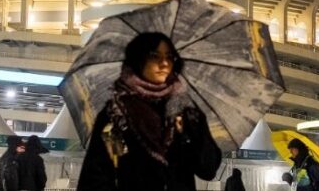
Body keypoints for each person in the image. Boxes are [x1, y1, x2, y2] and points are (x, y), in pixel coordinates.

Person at [77, 32, 222, 191]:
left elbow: (208, 169)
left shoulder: (187, 111)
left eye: (169, 56)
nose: (164, 63)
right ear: (138, 60)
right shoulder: (117, 114)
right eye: (155, 56)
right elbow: (98, 175)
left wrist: (189, 133)